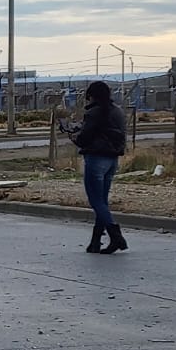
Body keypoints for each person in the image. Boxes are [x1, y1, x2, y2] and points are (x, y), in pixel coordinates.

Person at [69, 81, 128, 254]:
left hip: (96, 158)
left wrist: (74, 137)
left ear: (91, 95)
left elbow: (85, 137)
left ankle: (116, 236)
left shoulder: (94, 112)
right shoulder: (118, 111)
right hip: (112, 160)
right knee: (102, 202)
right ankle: (95, 242)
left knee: (96, 201)